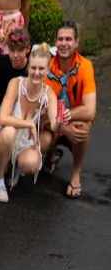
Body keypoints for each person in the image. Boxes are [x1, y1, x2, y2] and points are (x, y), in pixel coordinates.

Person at [0, 45, 58, 203]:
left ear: (48, 70)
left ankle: (13, 167)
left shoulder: (49, 93)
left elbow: (54, 126)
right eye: (33, 67)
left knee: (31, 164)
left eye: (41, 68)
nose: (36, 72)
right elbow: (3, 118)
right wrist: (29, 124)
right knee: (9, 133)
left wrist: (60, 121)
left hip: (25, 141)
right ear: (28, 67)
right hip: (6, 132)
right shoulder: (16, 83)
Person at [43, 21, 97, 199]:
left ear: (76, 43)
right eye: (60, 39)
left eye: (68, 39)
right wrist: (63, 127)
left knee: (83, 127)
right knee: (42, 138)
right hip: (52, 122)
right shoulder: (46, 65)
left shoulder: (85, 66)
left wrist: (67, 117)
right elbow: (40, 113)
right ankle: (49, 154)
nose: (64, 43)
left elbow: (89, 110)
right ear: (55, 42)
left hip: (71, 119)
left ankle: (75, 173)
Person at [0, 27, 30, 106]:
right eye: (12, 50)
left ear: (28, 49)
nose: (15, 55)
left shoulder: (32, 66)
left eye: (20, 50)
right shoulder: (4, 61)